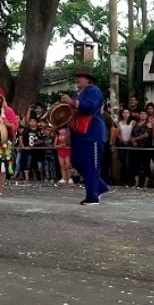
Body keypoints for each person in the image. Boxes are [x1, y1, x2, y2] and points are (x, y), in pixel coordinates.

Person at [59, 66, 109, 205]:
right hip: (79, 134)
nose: (77, 79)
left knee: (91, 165)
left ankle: (92, 196)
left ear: (88, 80)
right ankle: (100, 187)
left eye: (80, 77)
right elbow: (72, 115)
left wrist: (71, 102)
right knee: (76, 162)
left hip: (92, 134)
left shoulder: (94, 90)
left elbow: (89, 107)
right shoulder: (78, 93)